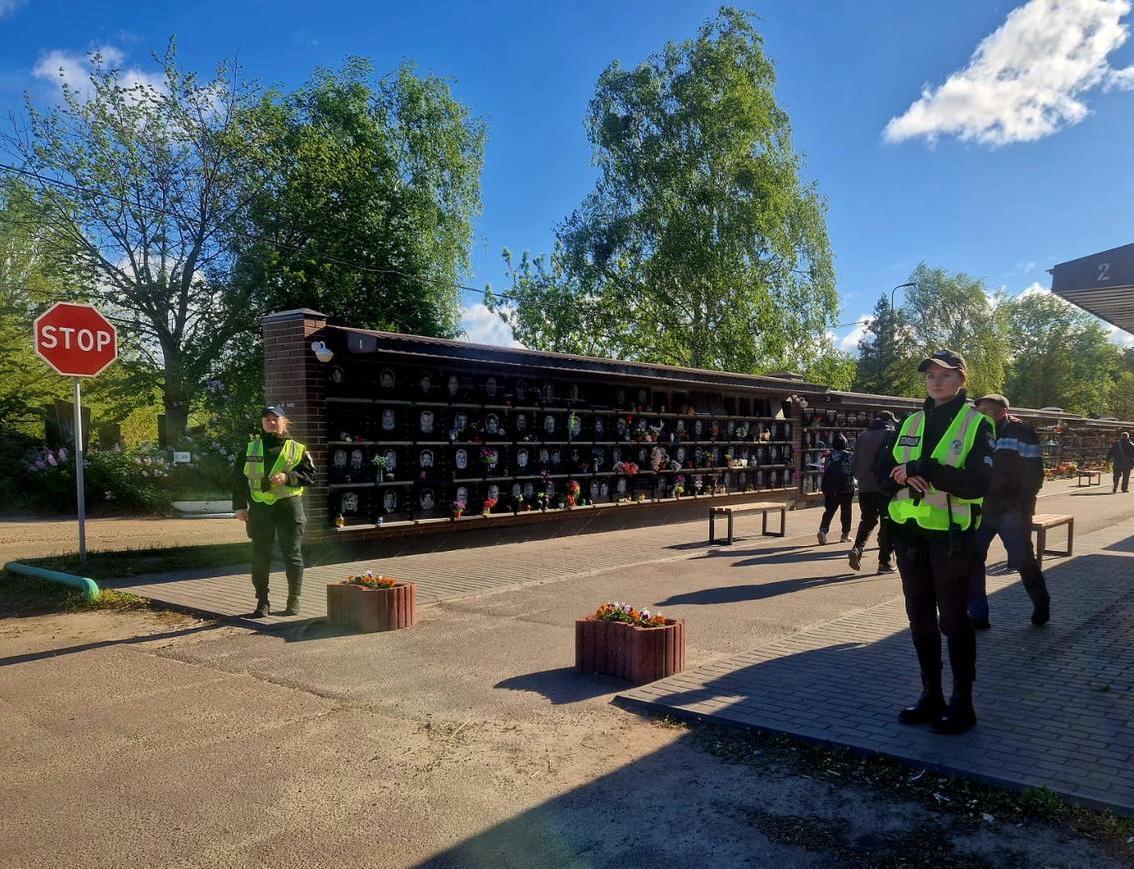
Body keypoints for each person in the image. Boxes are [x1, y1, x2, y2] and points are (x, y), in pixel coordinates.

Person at [878, 349, 993, 735]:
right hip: (909, 535)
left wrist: (924, 468)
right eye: (930, 375)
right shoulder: (910, 421)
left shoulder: (977, 424)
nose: (936, 381)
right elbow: (881, 472)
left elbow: (977, 484)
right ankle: (932, 694)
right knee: (920, 619)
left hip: (952, 538)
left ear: (962, 379)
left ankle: (963, 703)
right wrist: (899, 475)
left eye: (944, 374)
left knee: (954, 621)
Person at [967, 394, 1050, 629]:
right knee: (972, 560)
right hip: (982, 508)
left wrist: (1021, 503)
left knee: (1023, 561)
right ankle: (978, 614)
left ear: (1003, 411)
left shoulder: (1021, 432)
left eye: (987, 409)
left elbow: (1034, 473)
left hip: (1012, 511)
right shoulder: (977, 431)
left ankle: (1041, 605)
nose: (982, 413)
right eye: (979, 410)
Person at [232, 406, 317, 618]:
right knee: (260, 556)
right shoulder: (250, 448)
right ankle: (262, 602)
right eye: (267, 419)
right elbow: (239, 479)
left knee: (292, 554)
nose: (271, 422)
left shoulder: (297, 448)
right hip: (260, 507)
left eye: (275, 419)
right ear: (262, 423)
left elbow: (310, 475)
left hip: (288, 506)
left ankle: (293, 600)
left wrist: (287, 477)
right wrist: (239, 506)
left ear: (284, 421)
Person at [849, 411, 897, 573]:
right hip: (885, 485)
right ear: (890, 421)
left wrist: (858, 477)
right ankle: (884, 562)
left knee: (867, 520)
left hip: (865, 485)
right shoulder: (891, 434)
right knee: (887, 523)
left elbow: (854, 460)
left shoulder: (863, 435)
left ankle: (857, 549)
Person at [817, 433, 855, 545]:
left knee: (829, 511)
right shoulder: (849, 455)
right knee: (846, 511)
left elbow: (825, 470)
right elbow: (854, 470)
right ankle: (845, 535)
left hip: (830, 488)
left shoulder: (828, 456)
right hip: (846, 488)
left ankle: (823, 530)